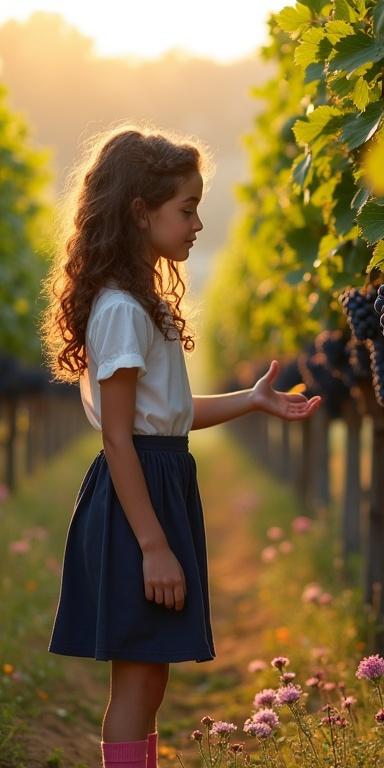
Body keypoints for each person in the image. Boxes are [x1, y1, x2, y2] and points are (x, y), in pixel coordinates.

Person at [39, 122, 322, 768]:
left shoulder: (144, 306)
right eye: (186, 209)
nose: (197, 224)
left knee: (152, 672)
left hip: (158, 482)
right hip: (137, 498)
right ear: (141, 215)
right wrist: (154, 545)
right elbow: (119, 437)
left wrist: (251, 400)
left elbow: (167, 415)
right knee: (137, 676)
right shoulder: (120, 311)